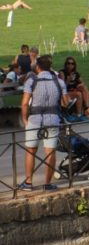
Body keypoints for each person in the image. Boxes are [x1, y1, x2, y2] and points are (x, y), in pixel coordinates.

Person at [18, 55, 67, 192]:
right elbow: (65, 102)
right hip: (53, 119)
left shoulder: (31, 81)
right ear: (50, 67)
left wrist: (25, 119)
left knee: (31, 151)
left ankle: (28, 183)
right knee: (50, 152)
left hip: (34, 119)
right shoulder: (59, 82)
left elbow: (24, 103)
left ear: (38, 67)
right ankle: (47, 184)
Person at [59, 56, 89, 121]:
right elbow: (62, 87)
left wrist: (80, 85)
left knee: (86, 91)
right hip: (65, 93)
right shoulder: (62, 72)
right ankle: (80, 114)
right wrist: (68, 80)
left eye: (72, 64)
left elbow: (83, 83)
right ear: (66, 64)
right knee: (78, 94)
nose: (70, 65)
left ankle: (86, 109)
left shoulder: (75, 73)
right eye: (68, 63)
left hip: (73, 92)